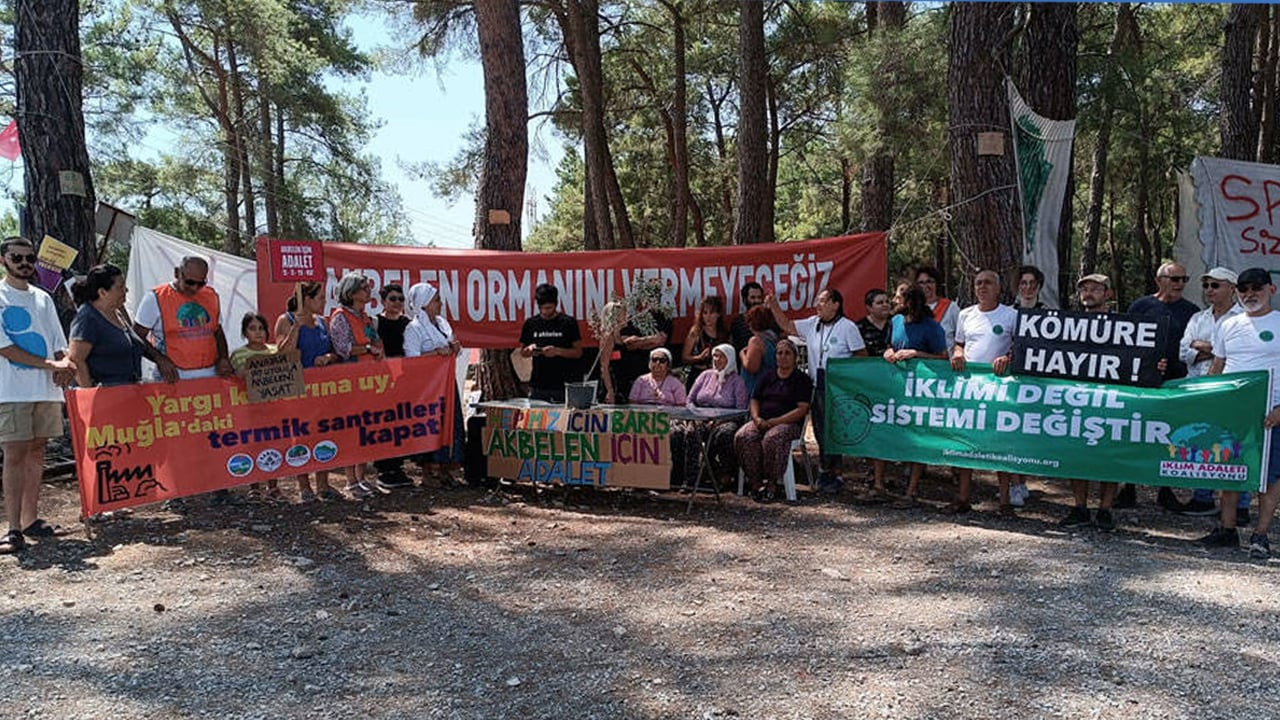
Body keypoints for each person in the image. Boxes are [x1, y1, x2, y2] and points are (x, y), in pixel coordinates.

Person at [0, 237, 76, 553]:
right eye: (17, 257)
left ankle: (31, 520)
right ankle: (12, 528)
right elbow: (5, 348)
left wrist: (65, 366)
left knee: (37, 452)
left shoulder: (43, 298)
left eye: (29, 257)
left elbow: (59, 342)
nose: (24, 263)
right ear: (4, 259)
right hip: (12, 390)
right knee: (14, 454)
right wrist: (52, 364)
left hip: (46, 389)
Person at [1199, 267, 1280, 558]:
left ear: (1271, 290)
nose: (1250, 295)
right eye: (1244, 289)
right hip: (1232, 412)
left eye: (1257, 288)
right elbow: (1217, 367)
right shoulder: (1228, 326)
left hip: (1270, 414)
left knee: (1269, 477)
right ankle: (1227, 530)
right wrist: (1205, 398)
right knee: (1229, 471)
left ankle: (1260, 535)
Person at [1117, 260, 1201, 509]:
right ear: (1159, 280)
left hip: (1175, 381)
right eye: (1175, 279)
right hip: (1142, 382)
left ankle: (1165, 490)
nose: (1180, 285)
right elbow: (1127, 343)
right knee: (1135, 432)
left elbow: (1193, 345)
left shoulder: (1192, 311)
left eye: (1184, 280)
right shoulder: (1140, 306)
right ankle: (1128, 488)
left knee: (1169, 435)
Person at [766, 288, 867, 493]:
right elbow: (787, 326)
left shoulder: (847, 327)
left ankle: (834, 473)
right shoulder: (813, 324)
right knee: (821, 431)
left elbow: (861, 355)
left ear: (835, 304)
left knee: (835, 431)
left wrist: (844, 375)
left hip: (838, 387)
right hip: (817, 385)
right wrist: (774, 305)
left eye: (822, 301)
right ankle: (826, 470)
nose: (817, 305)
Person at [1176, 267, 1247, 518]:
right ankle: (1202, 496)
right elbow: (1184, 351)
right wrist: (1216, 350)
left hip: (1232, 389)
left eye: (1215, 286)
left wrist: (1205, 347)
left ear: (1231, 288)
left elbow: (1239, 352)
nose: (1209, 291)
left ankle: (1239, 505)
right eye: (1206, 286)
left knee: (1235, 442)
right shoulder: (1198, 318)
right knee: (1202, 439)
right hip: (1199, 387)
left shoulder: (1245, 318)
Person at [949, 270, 1017, 515]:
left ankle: (1005, 501)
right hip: (970, 390)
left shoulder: (1011, 315)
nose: (982, 287)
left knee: (1001, 443)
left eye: (988, 283)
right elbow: (960, 343)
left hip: (1000, 390)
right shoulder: (966, 315)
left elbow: (1020, 347)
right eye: (978, 283)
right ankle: (963, 497)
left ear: (998, 288)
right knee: (966, 442)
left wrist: (1008, 358)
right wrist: (957, 352)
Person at [1058, 274, 1122, 531]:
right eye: (1084, 288)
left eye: (1095, 288)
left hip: (1112, 399)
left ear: (1108, 293)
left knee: (1111, 453)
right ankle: (1080, 507)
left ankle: (1105, 509)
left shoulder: (1124, 325)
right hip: (1077, 398)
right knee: (1076, 453)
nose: (1088, 292)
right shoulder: (1068, 324)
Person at [275, 281, 342, 503]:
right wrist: (297, 327)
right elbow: (283, 354)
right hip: (298, 391)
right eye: (320, 298)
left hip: (323, 390)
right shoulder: (286, 320)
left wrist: (328, 358)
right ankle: (304, 486)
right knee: (300, 436)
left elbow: (335, 352)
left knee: (324, 433)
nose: (323, 302)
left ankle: (323, 483)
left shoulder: (322, 322)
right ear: (307, 299)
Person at [884, 286, 949, 504]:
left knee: (919, 438)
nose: (894, 300)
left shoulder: (931, 327)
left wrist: (916, 354)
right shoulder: (894, 322)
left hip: (923, 393)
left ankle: (911, 491)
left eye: (898, 297)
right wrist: (888, 353)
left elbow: (943, 358)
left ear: (910, 301)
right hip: (898, 390)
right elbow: (889, 346)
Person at [734, 338, 813, 502]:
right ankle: (755, 483)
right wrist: (756, 418)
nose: (783, 357)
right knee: (743, 436)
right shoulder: (767, 376)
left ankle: (772, 483)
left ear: (795, 357)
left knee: (773, 438)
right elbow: (754, 399)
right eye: (779, 353)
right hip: (762, 420)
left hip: (788, 424)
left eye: (787, 353)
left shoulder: (801, 379)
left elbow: (802, 409)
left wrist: (776, 421)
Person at [329, 273, 386, 498]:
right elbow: (342, 348)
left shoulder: (365, 317)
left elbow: (375, 341)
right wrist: (369, 350)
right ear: (351, 292)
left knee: (366, 429)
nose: (368, 290)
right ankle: (350, 480)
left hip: (369, 380)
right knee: (351, 430)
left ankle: (362, 478)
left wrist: (377, 350)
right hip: (350, 381)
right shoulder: (340, 317)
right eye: (363, 287)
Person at [404, 282, 466, 487]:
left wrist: (454, 348)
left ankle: (446, 468)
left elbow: (452, 346)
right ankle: (428, 471)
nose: (440, 303)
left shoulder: (442, 323)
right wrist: (436, 353)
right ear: (424, 304)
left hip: (446, 384)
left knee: (450, 422)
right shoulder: (413, 329)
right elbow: (412, 359)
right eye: (436, 299)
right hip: (427, 388)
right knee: (431, 425)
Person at [132, 255, 230, 382]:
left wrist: (223, 358)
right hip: (174, 376)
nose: (195, 288)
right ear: (177, 273)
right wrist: (160, 359)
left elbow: (217, 331)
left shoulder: (211, 296)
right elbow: (136, 336)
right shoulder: (155, 298)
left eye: (201, 283)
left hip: (210, 375)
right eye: (190, 282)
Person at [671, 344, 749, 489]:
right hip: (700, 418)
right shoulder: (705, 376)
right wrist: (696, 415)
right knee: (691, 433)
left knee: (725, 434)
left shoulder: (737, 382)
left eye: (721, 356)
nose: (717, 359)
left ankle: (725, 476)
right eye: (715, 356)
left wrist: (719, 420)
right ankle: (691, 480)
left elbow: (740, 409)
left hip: (726, 420)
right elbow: (690, 400)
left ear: (730, 359)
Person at [229, 312, 285, 503]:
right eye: (252, 329)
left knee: (272, 446)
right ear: (245, 332)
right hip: (250, 409)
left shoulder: (275, 350)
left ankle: (273, 486)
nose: (258, 332)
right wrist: (256, 367)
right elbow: (238, 376)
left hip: (273, 409)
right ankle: (254, 486)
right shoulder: (239, 354)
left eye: (261, 328)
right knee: (253, 445)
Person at [67, 264, 151, 388]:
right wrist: (89, 391)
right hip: (104, 397)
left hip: (128, 394)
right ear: (102, 292)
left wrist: (160, 359)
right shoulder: (87, 318)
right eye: (120, 287)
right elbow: (76, 360)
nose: (126, 290)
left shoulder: (118, 313)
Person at [372, 283, 415, 488]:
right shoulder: (375, 323)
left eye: (400, 299)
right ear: (383, 301)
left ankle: (397, 466)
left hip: (403, 379)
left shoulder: (408, 323)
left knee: (401, 422)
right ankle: (383, 468)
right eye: (393, 299)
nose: (397, 302)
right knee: (383, 423)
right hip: (381, 381)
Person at [518, 283, 583, 402]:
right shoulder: (531, 323)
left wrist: (558, 351)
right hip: (539, 385)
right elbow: (522, 352)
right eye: (543, 308)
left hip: (564, 385)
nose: (546, 312)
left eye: (549, 308)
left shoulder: (568, 323)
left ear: (556, 304)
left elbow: (578, 352)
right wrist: (530, 350)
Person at [614, 298, 673, 403]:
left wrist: (638, 341)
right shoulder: (633, 319)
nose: (649, 303)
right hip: (634, 371)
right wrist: (651, 340)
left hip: (657, 370)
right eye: (647, 298)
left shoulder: (664, 318)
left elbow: (660, 340)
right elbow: (628, 344)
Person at [681, 295, 729, 389]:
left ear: (718, 314)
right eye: (705, 313)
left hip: (717, 377)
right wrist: (699, 357)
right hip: (698, 376)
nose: (708, 317)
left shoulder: (724, 333)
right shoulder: (696, 331)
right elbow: (685, 358)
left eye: (711, 313)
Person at [916, 265, 959, 349]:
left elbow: (961, 338)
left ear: (936, 284)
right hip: (919, 359)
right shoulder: (913, 309)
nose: (925, 286)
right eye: (921, 282)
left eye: (929, 281)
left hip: (944, 360)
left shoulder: (951, 308)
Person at [739, 305, 778, 397]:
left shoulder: (756, 341)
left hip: (755, 390)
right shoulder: (773, 339)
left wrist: (742, 355)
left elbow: (752, 367)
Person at [730, 281, 767, 353]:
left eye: (759, 297)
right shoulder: (738, 323)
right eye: (752, 297)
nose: (756, 301)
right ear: (745, 299)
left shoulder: (770, 319)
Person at [856, 288, 892, 359]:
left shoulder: (896, 323)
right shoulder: (859, 327)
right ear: (869, 308)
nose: (885, 305)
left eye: (887, 302)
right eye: (880, 303)